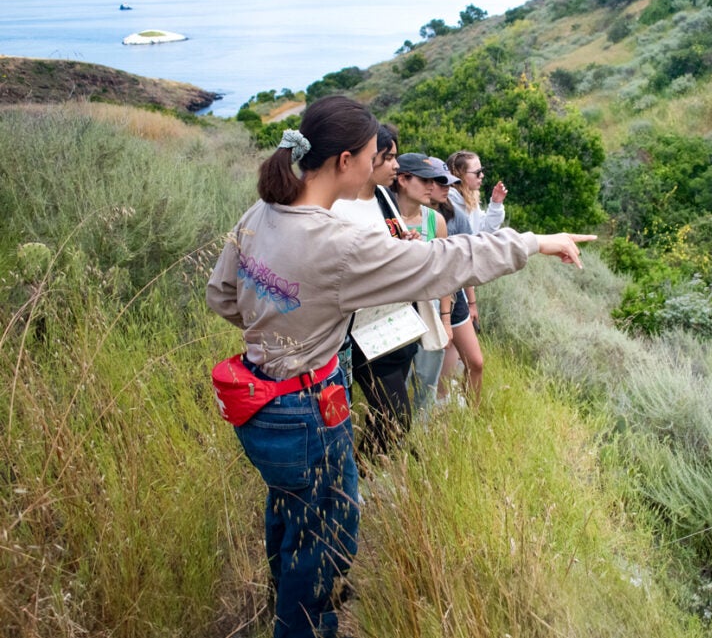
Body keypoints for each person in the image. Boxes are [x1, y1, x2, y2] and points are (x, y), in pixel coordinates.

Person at [206, 95, 593, 638]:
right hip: (307, 409)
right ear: (346, 161)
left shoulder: (260, 214)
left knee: (289, 514)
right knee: (326, 538)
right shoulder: (338, 243)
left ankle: (283, 602)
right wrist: (534, 243)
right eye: (371, 155)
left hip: (257, 401)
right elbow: (444, 261)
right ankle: (301, 625)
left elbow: (223, 296)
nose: (376, 165)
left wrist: (279, 328)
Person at [330, 124, 420, 462]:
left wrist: (406, 243)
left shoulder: (383, 197)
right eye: (389, 157)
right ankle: (362, 479)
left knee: (386, 414)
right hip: (362, 329)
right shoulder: (340, 207)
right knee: (396, 417)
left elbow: (392, 239)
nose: (396, 166)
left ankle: (366, 477)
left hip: (394, 321)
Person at [389, 153, 455, 415]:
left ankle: (420, 439)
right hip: (394, 317)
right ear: (403, 180)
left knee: (426, 383)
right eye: (426, 180)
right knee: (396, 387)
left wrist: (446, 321)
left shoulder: (434, 220)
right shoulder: (384, 216)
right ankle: (396, 438)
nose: (432, 187)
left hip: (428, 314)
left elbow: (445, 275)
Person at [439, 150, 506, 401]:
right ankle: (445, 404)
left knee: (456, 355)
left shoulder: (468, 200)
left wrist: (496, 203)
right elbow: (467, 251)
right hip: (454, 289)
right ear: (458, 174)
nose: (481, 176)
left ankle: (447, 403)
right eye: (476, 172)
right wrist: (471, 301)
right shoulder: (452, 205)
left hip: (461, 287)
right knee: (458, 356)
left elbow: (482, 233)